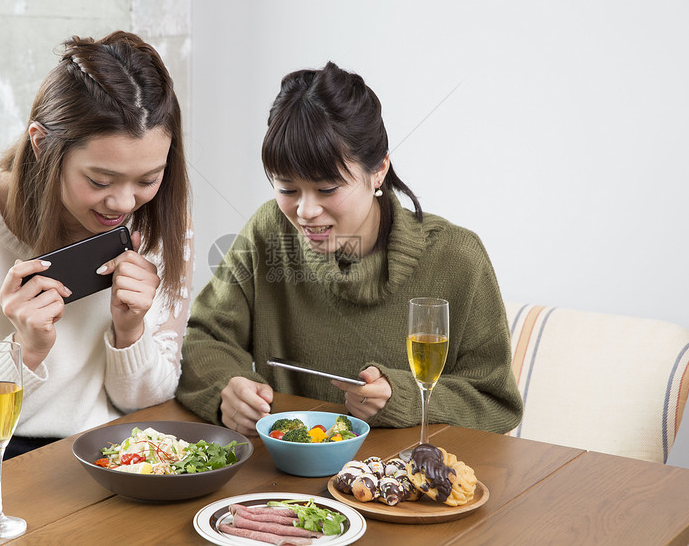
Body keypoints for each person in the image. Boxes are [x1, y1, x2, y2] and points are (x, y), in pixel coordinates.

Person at [0, 31, 193, 503]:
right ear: (43, 145)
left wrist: (131, 332)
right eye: (100, 179)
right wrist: (21, 354)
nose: (124, 202)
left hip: (98, 468)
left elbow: (146, 404)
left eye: (149, 178)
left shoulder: (160, 224)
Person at [176, 61, 522, 437]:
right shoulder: (268, 230)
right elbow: (203, 339)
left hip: (405, 481)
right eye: (287, 189)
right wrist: (227, 387)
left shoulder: (456, 258)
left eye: (327, 189)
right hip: (284, 483)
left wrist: (403, 396)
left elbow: (494, 403)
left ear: (378, 171)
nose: (305, 212)